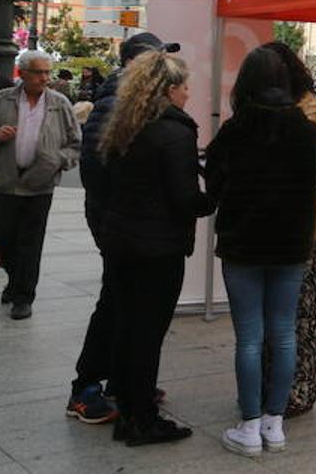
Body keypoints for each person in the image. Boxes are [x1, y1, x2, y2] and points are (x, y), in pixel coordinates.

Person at [205, 47, 316, 456]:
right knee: (284, 333)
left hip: (243, 245)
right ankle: (275, 424)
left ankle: (250, 424)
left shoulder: (234, 131)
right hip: (292, 245)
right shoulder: (307, 130)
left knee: (250, 338)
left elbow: (214, 187)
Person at [66, 32, 178, 425]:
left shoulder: (131, 100)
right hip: (118, 224)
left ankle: (123, 381)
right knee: (114, 302)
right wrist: (127, 214)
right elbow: (97, 172)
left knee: (125, 302)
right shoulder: (114, 102)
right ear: (137, 64)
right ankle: (85, 388)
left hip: (124, 222)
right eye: (157, 60)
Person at [98, 49, 207, 446]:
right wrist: (216, 196)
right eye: (184, 87)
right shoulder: (176, 132)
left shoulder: (128, 123)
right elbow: (185, 199)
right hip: (157, 250)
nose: (189, 94)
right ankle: (143, 419)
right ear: (168, 90)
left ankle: (128, 411)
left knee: (128, 327)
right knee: (148, 333)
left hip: (122, 241)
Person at [261, 40, 316, 417]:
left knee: (296, 316)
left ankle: (296, 389)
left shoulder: (310, 110)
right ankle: (269, 387)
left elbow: (313, 178)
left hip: (300, 227)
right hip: (270, 226)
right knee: (271, 315)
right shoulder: (271, 107)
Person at [0, 49, 81, 321]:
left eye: (46, 73)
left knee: (31, 242)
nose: (44, 78)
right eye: (38, 73)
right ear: (23, 74)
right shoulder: (2, 99)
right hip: (6, 182)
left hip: (40, 184)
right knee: (4, 241)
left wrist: (58, 161)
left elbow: (75, 143)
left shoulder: (59, 103)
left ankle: (23, 297)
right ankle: (14, 279)